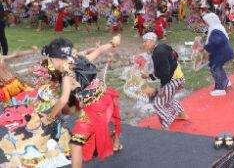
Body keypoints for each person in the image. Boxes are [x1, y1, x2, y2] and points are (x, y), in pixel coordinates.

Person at [40, 36, 122, 168]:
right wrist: (113, 43)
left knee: (75, 144)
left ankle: (114, 143)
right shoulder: (81, 59)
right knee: (111, 120)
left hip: (94, 110)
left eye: (50, 59)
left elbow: (63, 100)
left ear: (56, 59)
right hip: (106, 98)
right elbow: (99, 50)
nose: (50, 63)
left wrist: (50, 117)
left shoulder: (67, 75)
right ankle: (116, 143)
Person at [141, 32, 189, 130]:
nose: (144, 44)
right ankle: (182, 115)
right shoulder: (162, 46)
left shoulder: (158, 53)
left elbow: (164, 72)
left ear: (151, 41)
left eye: (145, 41)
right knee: (169, 98)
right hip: (178, 77)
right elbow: (175, 55)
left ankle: (166, 124)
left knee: (158, 104)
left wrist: (149, 75)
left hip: (172, 80)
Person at [202, 11, 234, 96]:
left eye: (206, 22)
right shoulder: (217, 27)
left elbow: (215, 42)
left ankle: (220, 88)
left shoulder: (215, 30)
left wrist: (205, 48)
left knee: (215, 68)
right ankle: (225, 81)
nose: (206, 24)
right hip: (224, 53)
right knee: (218, 67)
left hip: (222, 53)